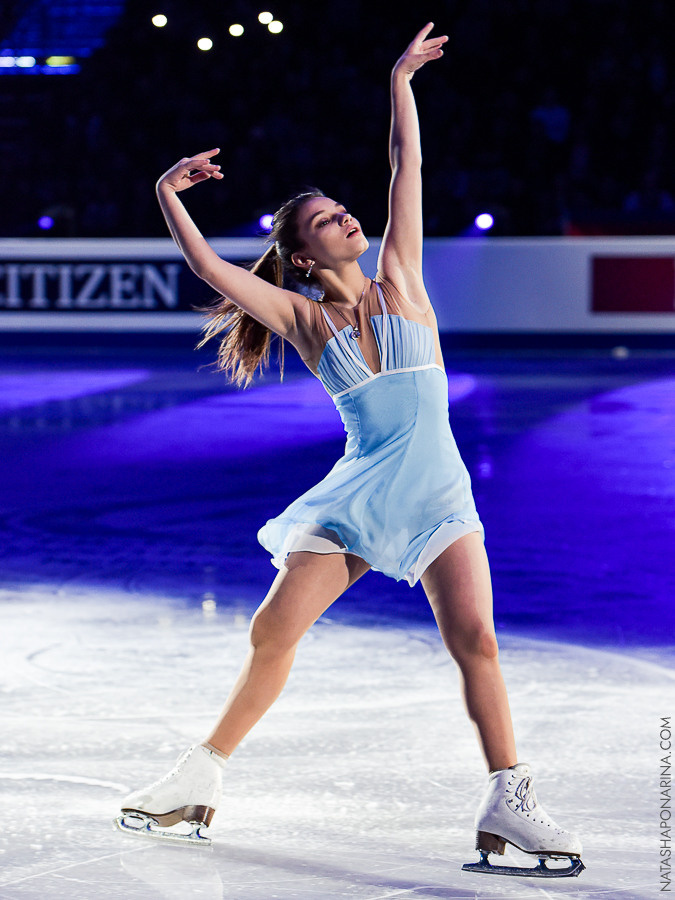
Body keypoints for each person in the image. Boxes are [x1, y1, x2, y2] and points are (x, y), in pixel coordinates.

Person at [115, 25, 583, 877]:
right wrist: (165, 191)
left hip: (436, 494)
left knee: (475, 640)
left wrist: (400, 79)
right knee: (272, 628)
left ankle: (508, 802)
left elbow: (406, 165)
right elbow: (211, 269)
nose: (346, 216)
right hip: (359, 495)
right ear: (302, 255)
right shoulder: (301, 317)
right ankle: (199, 776)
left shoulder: (401, 276)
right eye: (326, 219)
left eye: (342, 208)